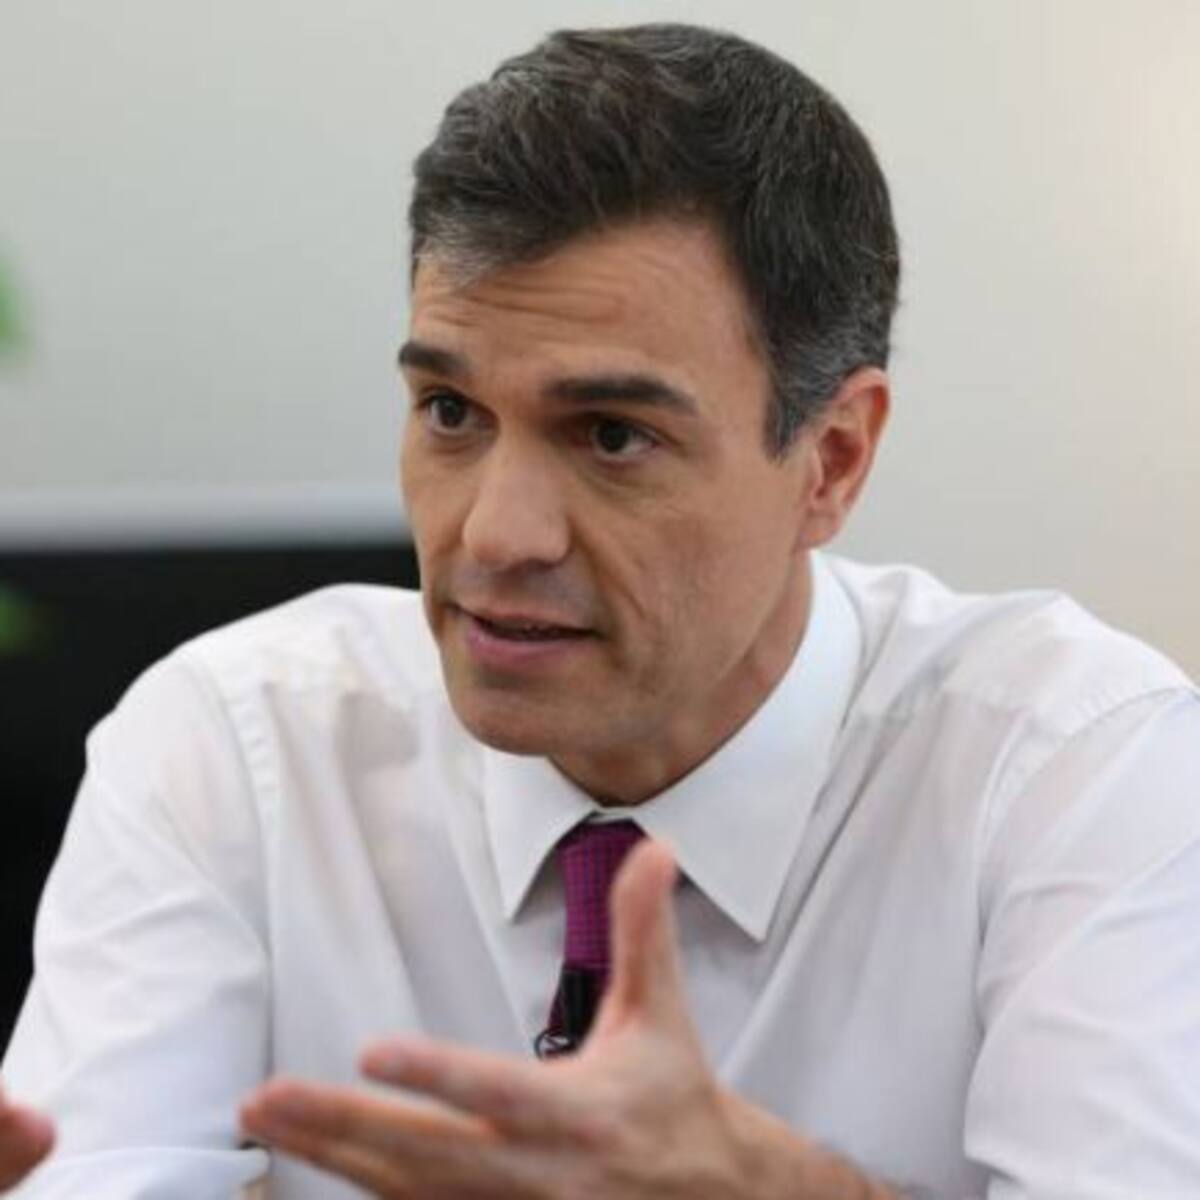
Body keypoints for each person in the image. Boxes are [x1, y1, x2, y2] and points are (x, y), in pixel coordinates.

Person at [4, 21, 1200, 1199]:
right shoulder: (238, 749)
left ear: (831, 460)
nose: (496, 536)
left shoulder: (1074, 771)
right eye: (451, 414)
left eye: (613, 436)